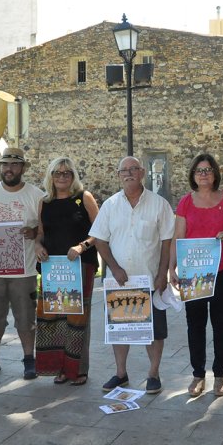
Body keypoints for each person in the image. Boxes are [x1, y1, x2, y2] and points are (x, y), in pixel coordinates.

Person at [89, 156, 174, 394]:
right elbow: (100, 239)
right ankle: (120, 373)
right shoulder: (110, 205)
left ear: (142, 173)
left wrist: (162, 274)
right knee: (120, 329)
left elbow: (167, 243)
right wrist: (114, 267)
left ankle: (153, 374)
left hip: (149, 279)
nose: (128, 173)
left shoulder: (159, 204)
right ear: (118, 175)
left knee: (155, 331)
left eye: (133, 169)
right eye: (123, 170)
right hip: (120, 281)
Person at [168, 154, 223, 397]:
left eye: (208, 170)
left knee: (222, 323)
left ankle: (220, 375)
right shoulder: (185, 203)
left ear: (215, 174)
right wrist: (172, 268)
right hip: (194, 271)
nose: (203, 174)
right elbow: (178, 237)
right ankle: (198, 374)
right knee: (195, 324)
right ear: (193, 175)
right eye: (199, 170)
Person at [0, 148, 45, 380]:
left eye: (14, 165)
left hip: (24, 270)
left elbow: (45, 228)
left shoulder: (36, 196)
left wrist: (33, 231)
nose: (8, 169)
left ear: (22, 168)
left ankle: (28, 358)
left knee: (26, 317)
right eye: (4, 165)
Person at [34, 157, 100, 386]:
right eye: (57, 172)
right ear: (50, 176)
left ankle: (79, 369)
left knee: (77, 317)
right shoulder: (45, 202)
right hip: (53, 268)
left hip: (80, 265)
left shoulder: (84, 198)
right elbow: (40, 233)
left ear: (74, 176)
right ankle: (61, 367)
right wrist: (37, 245)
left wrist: (82, 246)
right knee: (54, 317)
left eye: (67, 173)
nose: (62, 176)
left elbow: (101, 231)